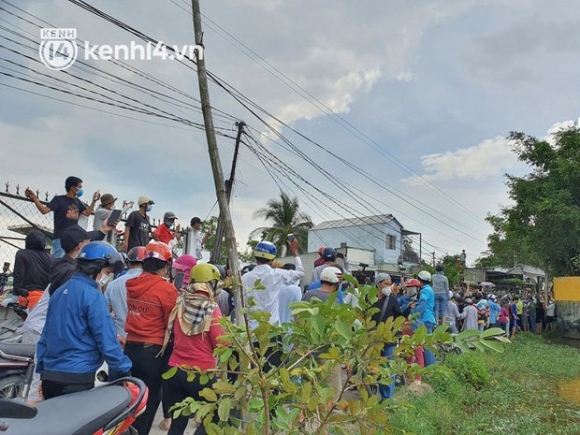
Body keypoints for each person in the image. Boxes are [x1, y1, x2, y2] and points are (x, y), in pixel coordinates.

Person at [36, 241, 132, 399]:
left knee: (54, 423)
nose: (107, 275)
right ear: (97, 268)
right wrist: (124, 371)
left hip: (50, 377)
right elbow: (106, 339)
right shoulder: (93, 297)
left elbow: (46, 336)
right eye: (107, 270)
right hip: (77, 378)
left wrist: (42, 374)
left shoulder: (59, 293)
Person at [160, 263, 228, 435]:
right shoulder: (212, 309)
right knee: (212, 418)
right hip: (201, 374)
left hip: (175, 370)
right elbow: (222, 344)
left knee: (177, 424)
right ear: (210, 284)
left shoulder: (180, 303)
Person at [124, 241, 177, 435]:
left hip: (130, 349)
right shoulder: (166, 289)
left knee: (130, 401)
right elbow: (170, 324)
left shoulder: (131, 284)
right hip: (152, 353)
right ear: (166, 265)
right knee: (148, 403)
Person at [242, 240, 304, 370]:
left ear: (255, 256)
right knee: (271, 375)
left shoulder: (245, 278)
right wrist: (295, 252)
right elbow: (300, 273)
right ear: (272, 258)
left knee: (253, 373)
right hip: (273, 334)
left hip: (251, 333)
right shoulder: (276, 274)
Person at [25, 176, 100, 258]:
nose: (80, 189)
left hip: (73, 239)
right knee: (58, 261)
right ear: (72, 188)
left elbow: (86, 213)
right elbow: (44, 210)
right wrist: (35, 198)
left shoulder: (77, 201)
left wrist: (94, 201)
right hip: (60, 238)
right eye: (79, 187)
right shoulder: (59, 200)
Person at [302, 266, 344, 404]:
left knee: (308, 388)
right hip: (327, 350)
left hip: (308, 348)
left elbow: (299, 320)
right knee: (332, 391)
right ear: (336, 283)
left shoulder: (309, 295)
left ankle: (304, 420)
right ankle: (322, 421)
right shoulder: (335, 301)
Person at [370, 273, 402, 400]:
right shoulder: (370, 299)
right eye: (386, 284)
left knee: (387, 370)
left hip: (389, 340)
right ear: (378, 284)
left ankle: (386, 400)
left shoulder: (393, 300)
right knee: (372, 368)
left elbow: (399, 317)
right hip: (373, 340)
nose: (389, 287)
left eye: (390, 284)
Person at [104, 246, 145, 343]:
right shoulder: (153, 284)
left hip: (119, 339)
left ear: (128, 263)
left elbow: (104, 314)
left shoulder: (113, 285)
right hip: (143, 341)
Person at [12, 229, 52, 309]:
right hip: (46, 299)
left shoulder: (22, 254)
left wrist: (14, 297)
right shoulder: (51, 258)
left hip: (28, 298)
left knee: (26, 320)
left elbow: (19, 275)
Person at [413, 271, 436, 366]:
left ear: (420, 280)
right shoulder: (429, 289)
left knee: (426, 345)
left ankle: (429, 367)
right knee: (427, 344)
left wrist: (413, 313)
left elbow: (422, 304)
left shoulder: (425, 290)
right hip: (429, 318)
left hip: (424, 319)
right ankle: (430, 366)